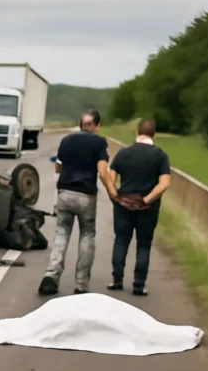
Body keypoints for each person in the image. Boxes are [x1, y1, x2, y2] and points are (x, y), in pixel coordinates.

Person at [38, 110, 118, 295]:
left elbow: (59, 164)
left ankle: (51, 275)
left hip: (65, 192)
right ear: (97, 126)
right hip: (86, 195)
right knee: (87, 235)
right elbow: (103, 172)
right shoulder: (100, 142)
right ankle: (81, 284)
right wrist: (113, 193)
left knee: (62, 233)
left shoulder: (67, 140)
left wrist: (59, 183)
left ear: (81, 124)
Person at [107, 119, 171, 296]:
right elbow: (165, 183)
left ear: (137, 132)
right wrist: (147, 199)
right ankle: (138, 284)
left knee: (121, 240)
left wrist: (114, 195)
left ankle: (117, 280)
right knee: (143, 245)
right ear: (154, 134)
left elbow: (109, 177)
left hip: (123, 204)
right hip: (148, 209)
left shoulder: (123, 153)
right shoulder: (160, 155)